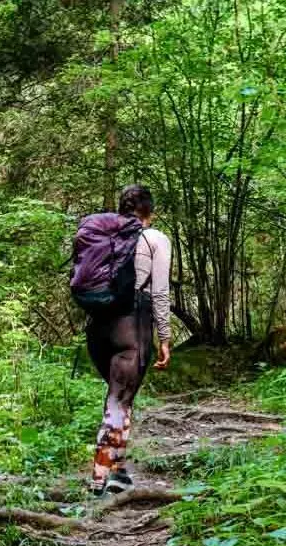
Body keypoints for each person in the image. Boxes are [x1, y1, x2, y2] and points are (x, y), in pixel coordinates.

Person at [86, 184, 172, 496]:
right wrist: (165, 336)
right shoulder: (155, 239)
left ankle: (118, 471)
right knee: (118, 401)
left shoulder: (105, 237)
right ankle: (98, 480)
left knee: (122, 397)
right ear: (150, 212)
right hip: (132, 325)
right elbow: (160, 292)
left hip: (97, 326)